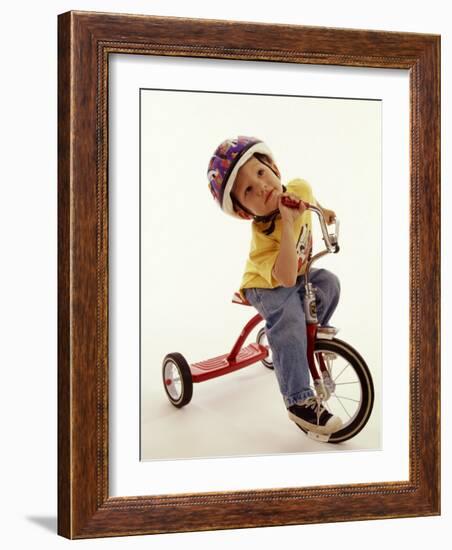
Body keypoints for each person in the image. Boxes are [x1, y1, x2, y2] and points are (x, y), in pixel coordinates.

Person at [207, 136, 342, 435]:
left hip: (295, 273)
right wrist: (289, 223)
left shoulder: (299, 188)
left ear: (273, 167)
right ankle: (298, 402)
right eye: (249, 191)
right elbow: (285, 279)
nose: (262, 187)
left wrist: (324, 210)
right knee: (289, 317)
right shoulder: (266, 231)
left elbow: (311, 200)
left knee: (329, 283)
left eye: (260, 173)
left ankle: (309, 336)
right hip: (266, 282)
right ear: (245, 210)